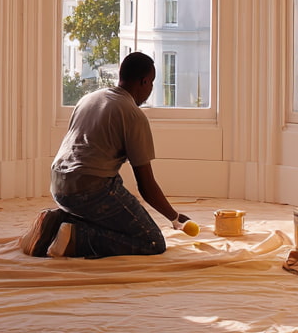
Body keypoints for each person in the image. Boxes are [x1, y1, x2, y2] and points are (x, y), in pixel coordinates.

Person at [19, 51, 184, 258]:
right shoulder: (133, 115)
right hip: (90, 189)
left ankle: (57, 221)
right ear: (143, 81)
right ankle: (75, 240)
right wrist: (174, 217)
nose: (151, 89)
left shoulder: (89, 98)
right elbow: (146, 185)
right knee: (151, 240)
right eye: (151, 83)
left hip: (58, 186)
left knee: (114, 189)